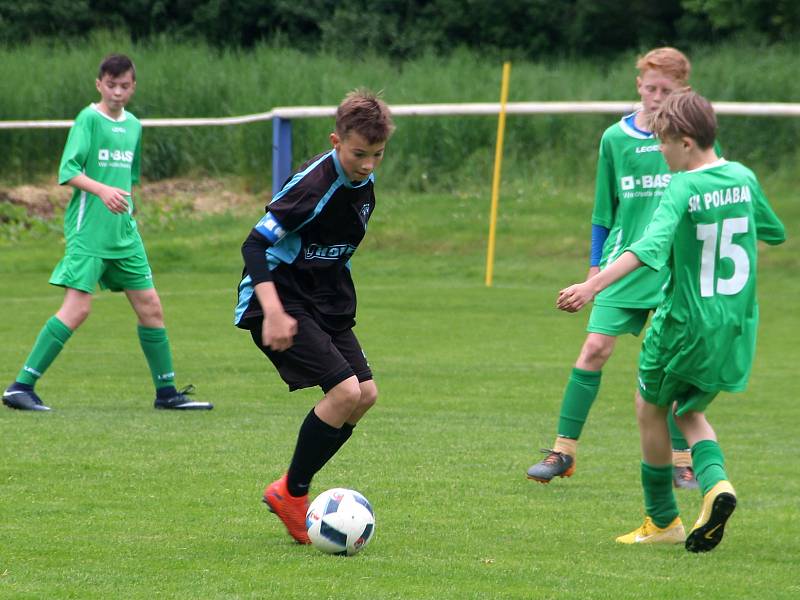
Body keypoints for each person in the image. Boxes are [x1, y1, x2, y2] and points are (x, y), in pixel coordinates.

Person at [557, 90, 785, 551]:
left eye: (663, 143)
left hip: (683, 323)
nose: (659, 152)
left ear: (684, 141)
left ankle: (663, 521)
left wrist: (592, 285)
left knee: (649, 409)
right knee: (688, 410)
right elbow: (773, 231)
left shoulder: (683, 186)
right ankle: (717, 484)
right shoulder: (742, 175)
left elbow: (646, 248)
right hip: (735, 326)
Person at [527, 47, 700, 488]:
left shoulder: (689, 141)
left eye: (667, 89)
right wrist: (592, 270)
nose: (657, 96)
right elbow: (604, 211)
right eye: (650, 87)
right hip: (624, 266)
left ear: (683, 91)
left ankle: (683, 461)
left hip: (675, 270)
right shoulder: (615, 139)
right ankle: (563, 452)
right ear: (638, 85)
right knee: (594, 350)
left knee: (674, 364)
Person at [2, 54, 212, 412]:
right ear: (99, 85)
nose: (117, 92)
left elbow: (130, 178)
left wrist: (130, 209)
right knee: (78, 308)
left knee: (151, 307)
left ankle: (167, 394)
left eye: (124, 86)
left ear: (133, 87)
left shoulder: (134, 126)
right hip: (89, 233)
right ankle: (20, 387)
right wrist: (101, 191)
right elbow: (68, 171)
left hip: (124, 234)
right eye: (111, 85)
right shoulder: (88, 119)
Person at [234, 89, 394, 544]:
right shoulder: (314, 185)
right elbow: (254, 245)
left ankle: (289, 490)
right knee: (344, 392)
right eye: (359, 153)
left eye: (377, 155)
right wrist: (275, 312)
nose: (367, 164)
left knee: (365, 395)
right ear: (336, 140)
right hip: (280, 298)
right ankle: (293, 494)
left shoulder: (364, 185)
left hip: (323, 300)